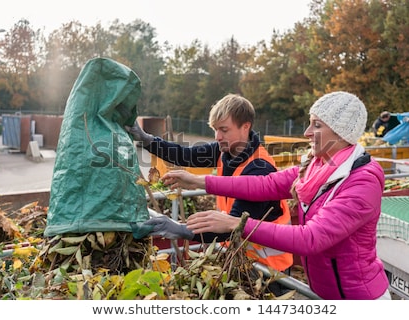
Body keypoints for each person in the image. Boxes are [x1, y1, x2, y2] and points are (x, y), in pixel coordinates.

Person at [160, 91, 391, 300]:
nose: (307, 133)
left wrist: (234, 223)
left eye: (316, 126)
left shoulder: (362, 180)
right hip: (326, 292)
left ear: (341, 132)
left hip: (359, 298)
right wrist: (198, 180)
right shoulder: (317, 166)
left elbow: (310, 238)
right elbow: (265, 184)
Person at [126, 93, 294, 296]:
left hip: (267, 269)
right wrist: (147, 139)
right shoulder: (227, 151)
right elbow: (184, 154)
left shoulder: (259, 168)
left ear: (245, 127)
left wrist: (184, 230)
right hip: (239, 259)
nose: (217, 137)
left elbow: (234, 225)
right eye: (215, 130)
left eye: (224, 130)